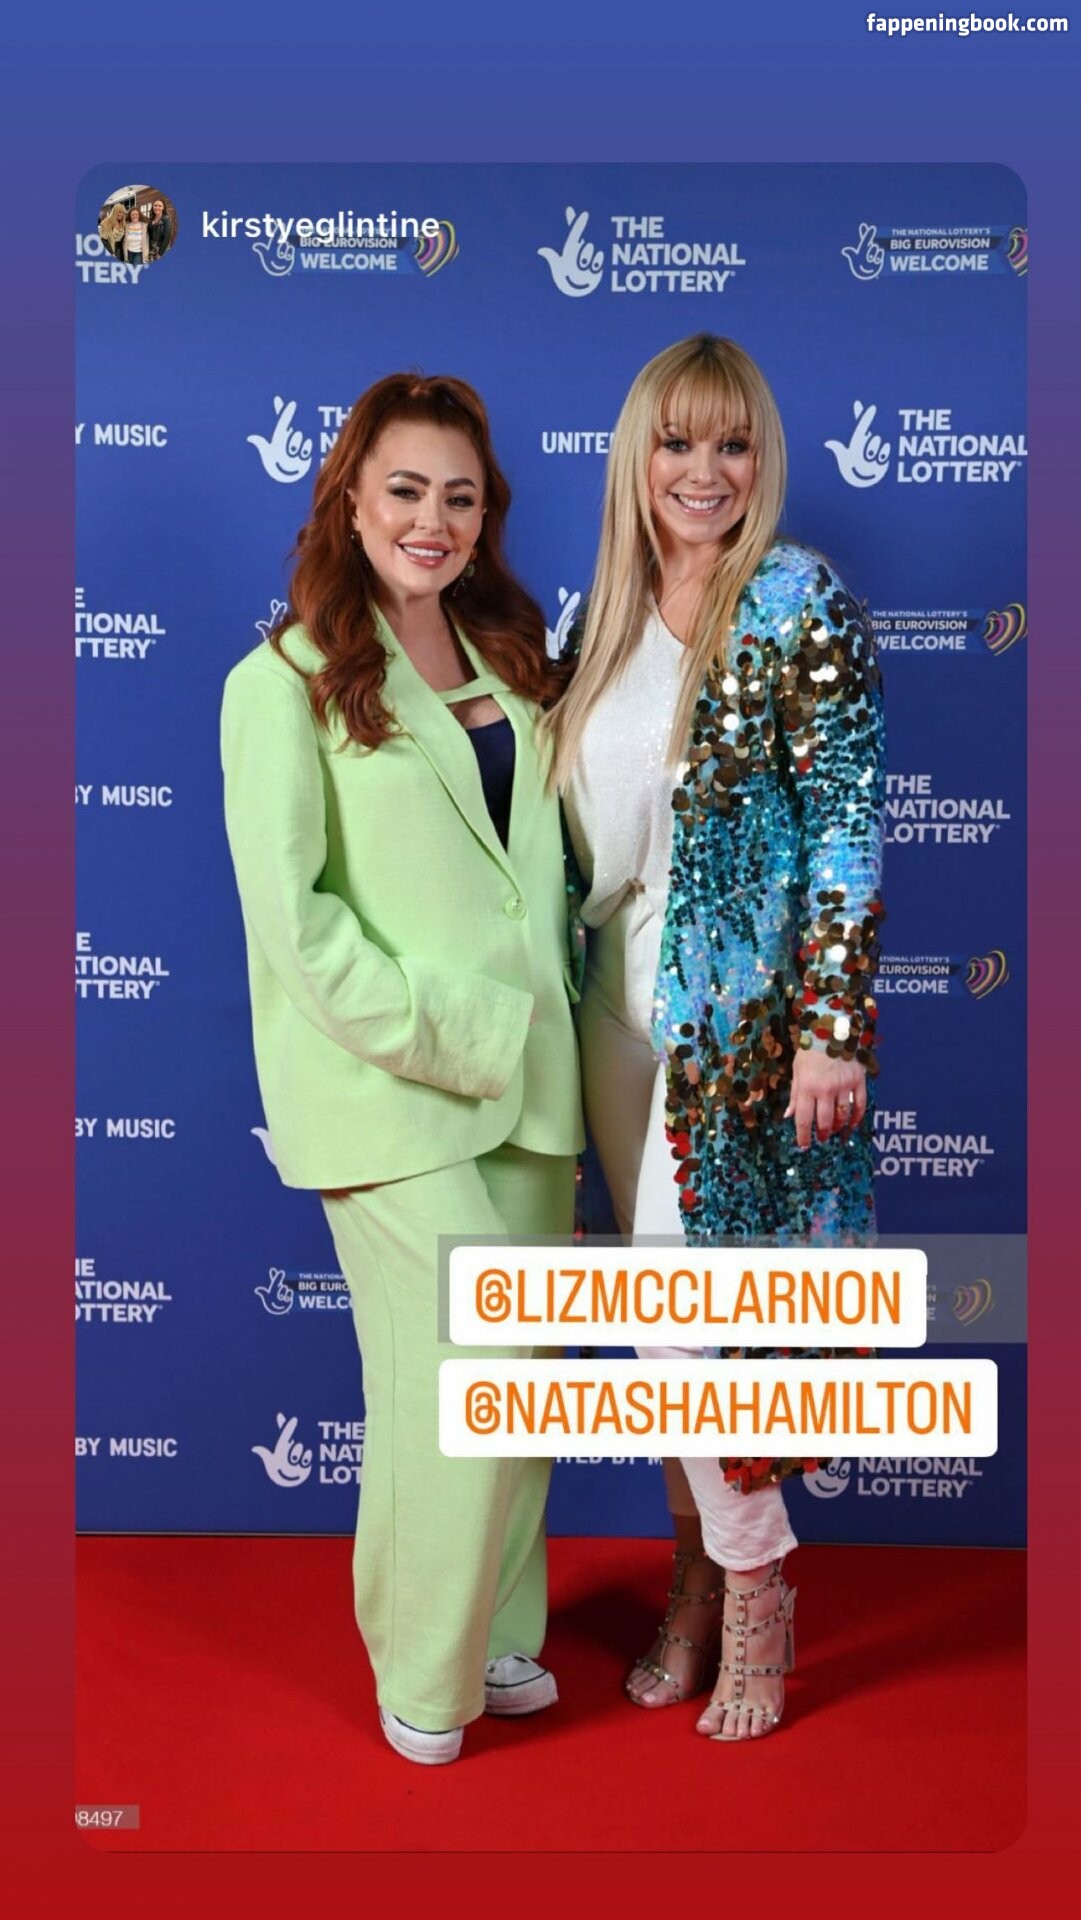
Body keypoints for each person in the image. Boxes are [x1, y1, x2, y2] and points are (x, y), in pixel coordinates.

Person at [221, 373, 583, 1765]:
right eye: (406, 490)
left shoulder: (515, 657)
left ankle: (493, 1631)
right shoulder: (279, 682)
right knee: (456, 1362)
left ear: (487, 516)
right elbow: (297, 925)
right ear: (351, 501)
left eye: (460, 496)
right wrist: (455, 1030)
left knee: (519, 1374)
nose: (433, 519)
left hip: (534, 1081)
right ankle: (423, 1674)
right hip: (391, 1088)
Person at [550, 334, 885, 1741]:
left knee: (693, 1332)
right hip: (607, 1022)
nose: (704, 471)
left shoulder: (797, 599)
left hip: (738, 1038)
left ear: (763, 458)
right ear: (638, 457)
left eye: (731, 443)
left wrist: (831, 1029)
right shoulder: (601, 616)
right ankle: (691, 1580)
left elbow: (848, 823)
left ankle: (755, 1589)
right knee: (658, 1343)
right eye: (677, 443)